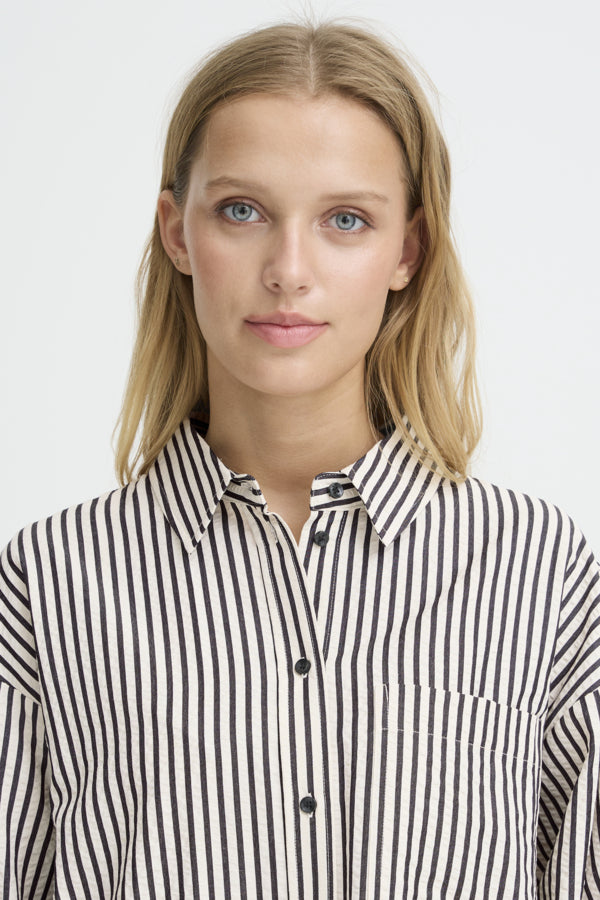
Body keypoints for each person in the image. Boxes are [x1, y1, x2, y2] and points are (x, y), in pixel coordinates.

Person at [1, 19, 599, 900]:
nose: (288, 271)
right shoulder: (47, 584)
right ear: (176, 232)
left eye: (345, 220)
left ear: (406, 251)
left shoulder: (539, 572)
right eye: (241, 211)